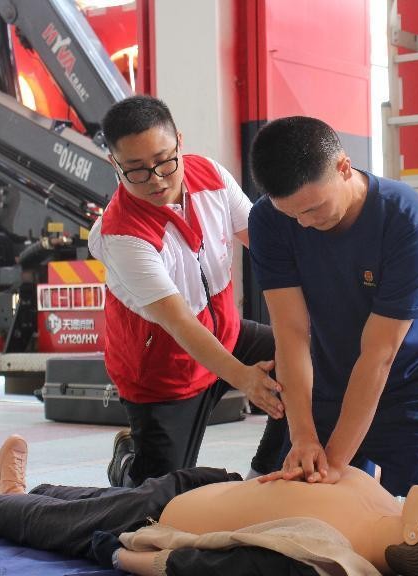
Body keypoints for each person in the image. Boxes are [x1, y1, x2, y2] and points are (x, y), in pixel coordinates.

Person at [247, 116, 418, 497]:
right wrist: (303, 437)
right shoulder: (268, 219)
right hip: (327, 380)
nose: (303, 224)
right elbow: (292, 333)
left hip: (405, 381)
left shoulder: (406, 222)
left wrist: (334, 463)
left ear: (344, 168)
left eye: (314, 208)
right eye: (292, 214)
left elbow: (378, 355)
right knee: (308, 501)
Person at [0, 435, 418, 576]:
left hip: (159, 524)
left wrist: (136, 559)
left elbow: (217, 565)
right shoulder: (387, 504)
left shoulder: (326, 560)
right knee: (88, 499)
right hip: (197, 486)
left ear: (415, 538)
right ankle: (22, 491)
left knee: (60, 525)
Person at [89, 95, 286, 487]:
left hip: (226, 335)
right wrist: (245, 379)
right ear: (115, 164)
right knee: (163, 501)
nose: (157, 179)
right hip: (165, 369)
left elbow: (266, 245)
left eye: (165, 161)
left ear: (179, 141)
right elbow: (179, 322)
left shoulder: (210, 175)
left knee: (307, 359)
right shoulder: (121, 235)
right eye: (137, 171)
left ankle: (265, 475)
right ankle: (128, 464)